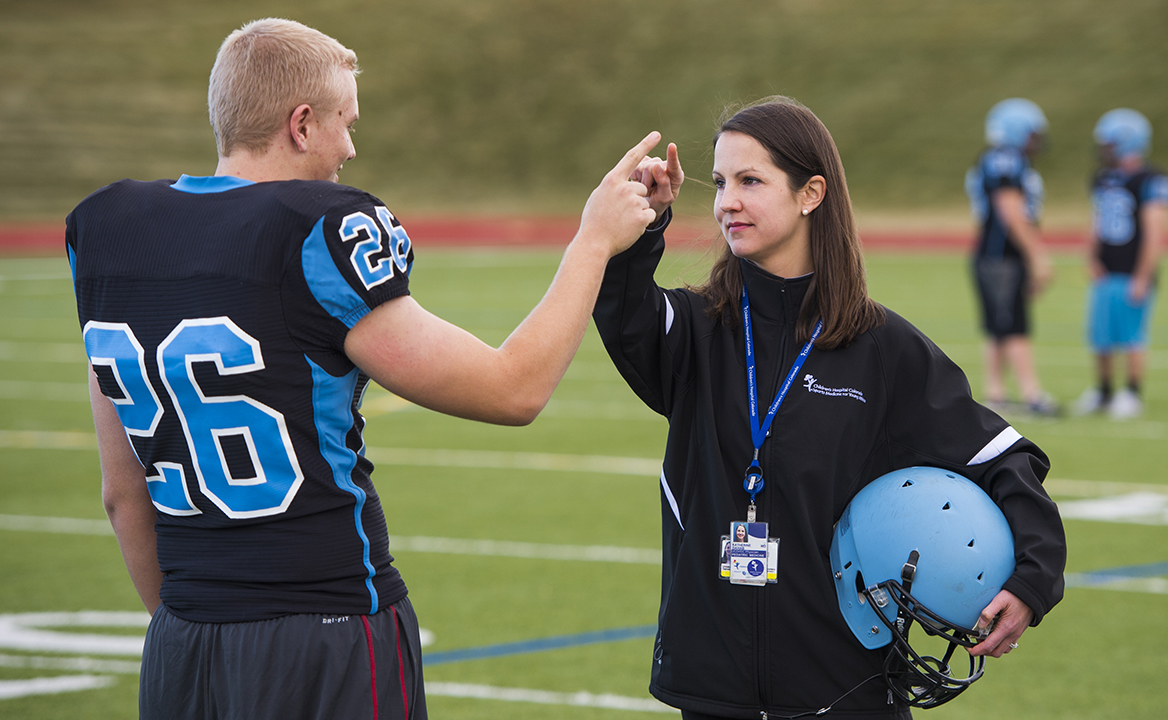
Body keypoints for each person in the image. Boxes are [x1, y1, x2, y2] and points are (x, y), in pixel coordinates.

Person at [66, 18, 660, 720]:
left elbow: (122, 493)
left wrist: (193, 622)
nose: (352, 147)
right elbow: (513, 388)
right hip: (326, 632)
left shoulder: (106, 228)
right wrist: (594, 241)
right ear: (302, 124)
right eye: (346, 123)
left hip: (182, 643)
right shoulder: (316, 226)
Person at [594, 97, 1066, 719]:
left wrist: (1032, 579)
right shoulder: (695, 329)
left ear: (811, 193)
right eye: (720, 183)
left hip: (844, 690)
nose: (725, 201)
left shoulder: (882, 348)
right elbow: (623, 311)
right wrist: (641, 229)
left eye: (750, 181)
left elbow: (1002, 459)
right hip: (711, 688)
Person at [1074, 108, 1168, 420]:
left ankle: (1132, 392)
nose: (1104, 150)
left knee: (1131, 336)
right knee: (1100, 336)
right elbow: (1097, 221)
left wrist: (1143, 275)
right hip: (1106, 271)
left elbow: (1154, 232)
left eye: (1109, 143)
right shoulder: (1103, 178)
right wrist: (1091, 257)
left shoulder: (1153, 180)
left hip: (1132, 271)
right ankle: (1103, 391)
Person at [964, 98, 1059, 416]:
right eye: (1032, 134)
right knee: (1013, 325)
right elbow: (1011, 211)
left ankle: (996, 393)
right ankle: (1031, 393)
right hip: (1000, 257)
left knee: (999, 326)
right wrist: (1037, 256)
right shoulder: (1005, 159)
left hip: (993, 255)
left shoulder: (1000, 158)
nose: (1035, 141)